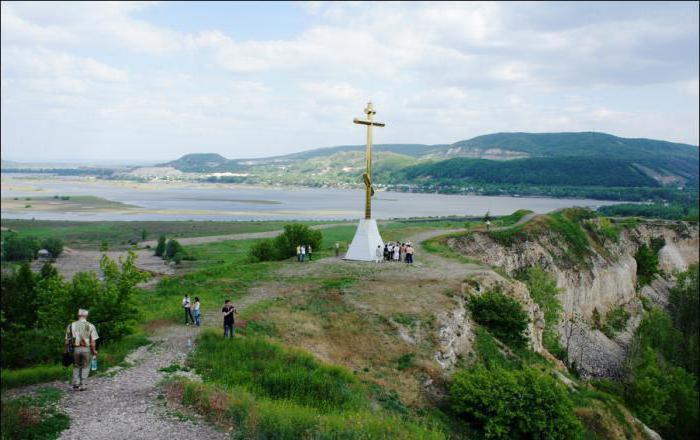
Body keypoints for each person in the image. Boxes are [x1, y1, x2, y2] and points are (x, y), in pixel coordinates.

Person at [64, 309, 99, 391]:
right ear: (86, 316)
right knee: (85, 366)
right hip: (86, 349)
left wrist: (65, 351)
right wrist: (94, 351)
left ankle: (76, 383)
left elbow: (66, 341)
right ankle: (83, 385)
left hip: (75, 349)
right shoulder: (90, 326)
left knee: (76, 365)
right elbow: (93, 341)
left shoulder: (71, 325)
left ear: (78, 315)